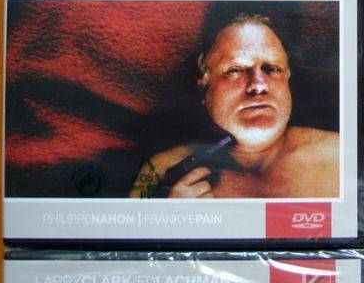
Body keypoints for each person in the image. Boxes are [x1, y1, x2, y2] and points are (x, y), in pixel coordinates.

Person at [130, 14, 339, 199]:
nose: (259, 84)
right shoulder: (160, 171)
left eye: (273, 68)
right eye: (236, 70)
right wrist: (170, 218)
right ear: (204, 88)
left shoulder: (341, 154)